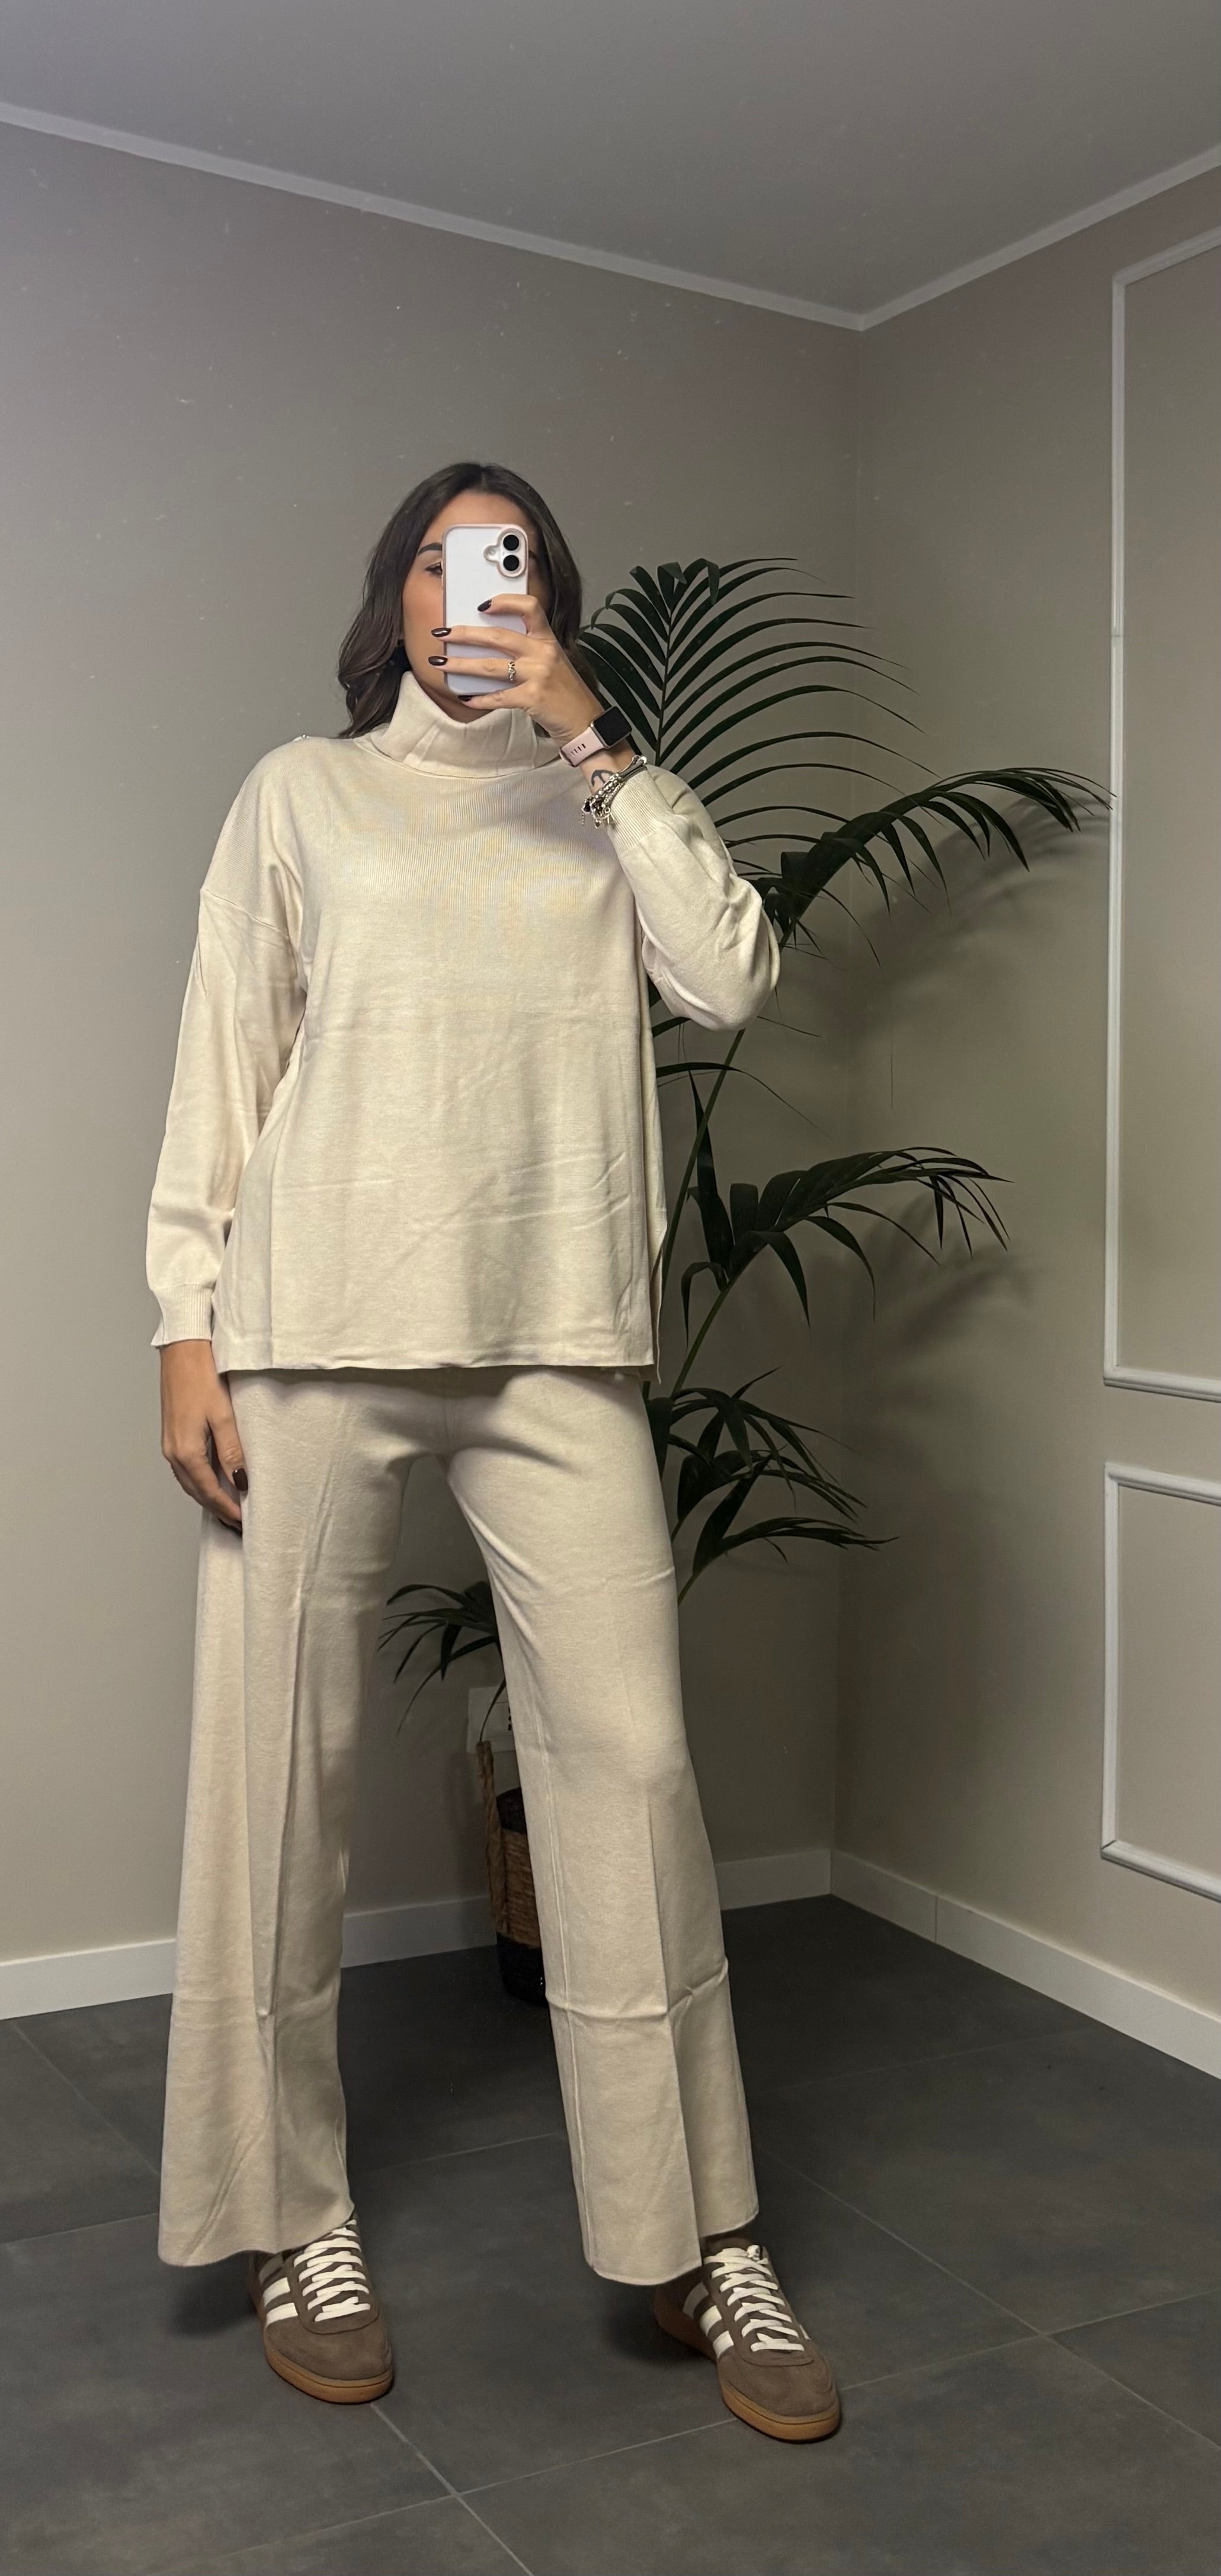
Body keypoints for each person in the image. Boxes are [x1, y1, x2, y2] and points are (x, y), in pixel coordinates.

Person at [146, 459, 841, 2445]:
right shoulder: (302, 792)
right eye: (447, 563)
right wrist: (185, 1321)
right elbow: (225, 1058)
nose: (476, 593)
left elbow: (734, 973)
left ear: (547, 598)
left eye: (507, 565)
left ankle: (699, 2232)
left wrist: (596, 740)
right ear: (396, 595)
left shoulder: (598, 800)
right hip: (309, 1331)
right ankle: (291, 2216)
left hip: (557, 1341)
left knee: (633, 1774)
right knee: (278, 1784)